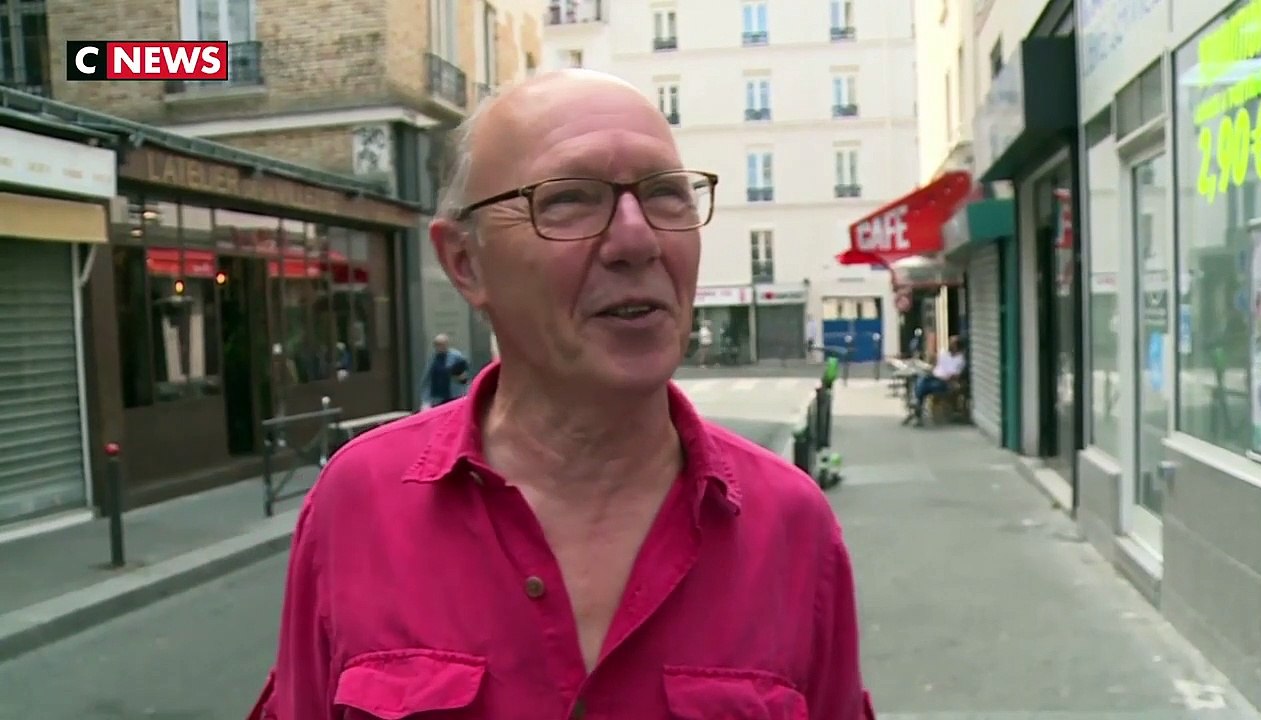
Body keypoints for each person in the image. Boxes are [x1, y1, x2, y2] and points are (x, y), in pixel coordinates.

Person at [249, 69, 874, 719]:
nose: (638, 240)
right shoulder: (357, 503)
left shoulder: (793, 526)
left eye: (666, 195)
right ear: (466, 262)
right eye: (570, 199)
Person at [908, 334, 966, 426]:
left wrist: (946, 377)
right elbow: (934, 364)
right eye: (950, 342)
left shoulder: (960, 359)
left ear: (957, 346)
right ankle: (917, 404)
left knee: (927, 386)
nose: (949, 345)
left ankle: (917, 405)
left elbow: (956, 375)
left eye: (952, 343)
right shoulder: (944, 354)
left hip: (945, 381)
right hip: (933, 376)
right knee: (921, 380)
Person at [418, 333, 469, 409]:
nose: (439, 347)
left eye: (441, 344)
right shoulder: (433, 358)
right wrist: (425, 398)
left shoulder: (456, 356)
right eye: (437, 344)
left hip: (453, 395)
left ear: (446, 344)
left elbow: (464, 373)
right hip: (436, 397)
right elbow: (427, 378)